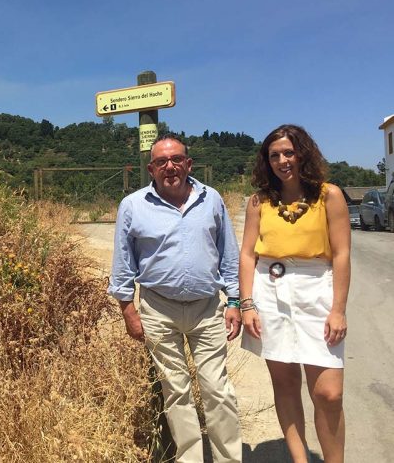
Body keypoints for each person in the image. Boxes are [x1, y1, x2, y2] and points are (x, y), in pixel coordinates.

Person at [108, 133, 243, 463]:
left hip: (208, 309)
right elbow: (123, 262)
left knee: (217, 391)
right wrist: (128, 309)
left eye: (176, 160)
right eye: (161, 162)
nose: (170, 167)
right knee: (176, 392)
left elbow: (228, 253)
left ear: (188, 163)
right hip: (158, 309)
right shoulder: (133, 206)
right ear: (151, 169)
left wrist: (236, 301)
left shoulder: (212, 199)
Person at [240, 124, 349, 462]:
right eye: (274, 155)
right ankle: (299, 459)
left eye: (289, 152)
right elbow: (247, 254)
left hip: (317, 292)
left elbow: (342, 254)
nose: (282, 160)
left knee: (329, 394)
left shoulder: (328, 195)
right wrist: (247, 304)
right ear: (266, 161)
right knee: (285, 386)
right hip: (270, 291)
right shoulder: (259, 201)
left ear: (303, 153)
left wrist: (338, 309)